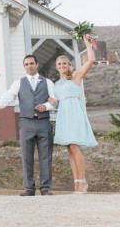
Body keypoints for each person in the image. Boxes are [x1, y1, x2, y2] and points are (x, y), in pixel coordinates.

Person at [0, 55, 56, 196]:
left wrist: (46, 106)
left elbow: (54, 101)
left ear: (37, 64)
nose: (29, 66)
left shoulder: (48, 82)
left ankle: (45, 187)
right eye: (26, 64)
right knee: (26, 156)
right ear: (24, 66)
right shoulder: (19, 83)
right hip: (26, 122)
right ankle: (29, 188)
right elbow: (9, 95)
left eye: (32, 63)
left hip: (44, 122)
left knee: (46, 156)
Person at [48, 37, 98, 194]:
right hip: (64, 114)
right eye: (59, 64)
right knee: (70, 148)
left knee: (75, 147)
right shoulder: (56, 85)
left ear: (69, 66)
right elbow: (55, 102)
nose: (62, 66)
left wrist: (87, 43)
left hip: (74, 113)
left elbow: (91, 59)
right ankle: (76, 183)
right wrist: (51, 101)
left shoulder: (75, 76)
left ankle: (83, 182)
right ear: (57, 68)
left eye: (65, 63)